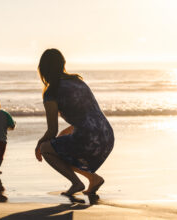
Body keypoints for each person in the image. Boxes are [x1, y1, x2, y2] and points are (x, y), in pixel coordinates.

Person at [35, 48, 114, 195]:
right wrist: (66, 132)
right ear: (62, 64)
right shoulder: (77, 82)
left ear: (43, 69)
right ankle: (93, 179)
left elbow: (51, 130)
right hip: (107, 136)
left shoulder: (51, 91)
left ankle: (77, 183)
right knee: (60, 146)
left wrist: (38, 145)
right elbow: (89, 115)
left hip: (89, 138)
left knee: (47, 148)